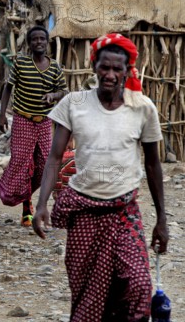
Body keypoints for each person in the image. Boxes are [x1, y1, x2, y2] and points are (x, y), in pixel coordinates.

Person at [33, 33, 169, 321]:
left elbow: (154, 166)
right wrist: (42, 203)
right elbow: (55, 158)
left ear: (127, 70)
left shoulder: (142, 108)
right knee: (89, 298)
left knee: (138, 287)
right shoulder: (74, 103)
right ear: (93, 65)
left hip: (124, 211)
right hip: (84, 212)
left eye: (116, 69)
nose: (110, 74)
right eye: (104, 67)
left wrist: (162, 220)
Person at [0, 26, 67, 226]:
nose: (38, 42)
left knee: (45, 164)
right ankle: (26, 205)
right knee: (22, 162)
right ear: (29, 43)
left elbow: (63, 90)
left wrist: (53, 95)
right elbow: (8, 88)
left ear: (47, 42)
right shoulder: (21, 63)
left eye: (42, 39)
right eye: (34, 39)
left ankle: (38, 201)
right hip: (22, 119)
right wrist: (2, 116)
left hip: (44, 121)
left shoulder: (54, 67)